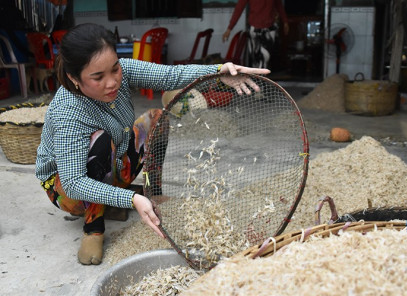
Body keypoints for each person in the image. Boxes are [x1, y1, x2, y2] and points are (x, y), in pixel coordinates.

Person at [35, 23, 270, 265]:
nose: (112, 81)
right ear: (74, 78)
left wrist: (219, 71)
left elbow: (170, 76)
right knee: (101, 141)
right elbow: (74, 184)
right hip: (67, 190)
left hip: (114, 163)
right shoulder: (68, 111)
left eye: (114, 69)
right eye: (98, 77)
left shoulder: (122, 73)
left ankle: (151, 196)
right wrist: (131, 200)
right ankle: (93, 227)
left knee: (156, 117)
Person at [222, 0, 289, 69]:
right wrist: (229, 28)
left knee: (264, 58)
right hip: (255, 29)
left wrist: (285, 21)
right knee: (256, 59)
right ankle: (258, 77)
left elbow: (279, 5)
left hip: (268, 29)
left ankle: (260, 77)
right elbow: (239, 8)